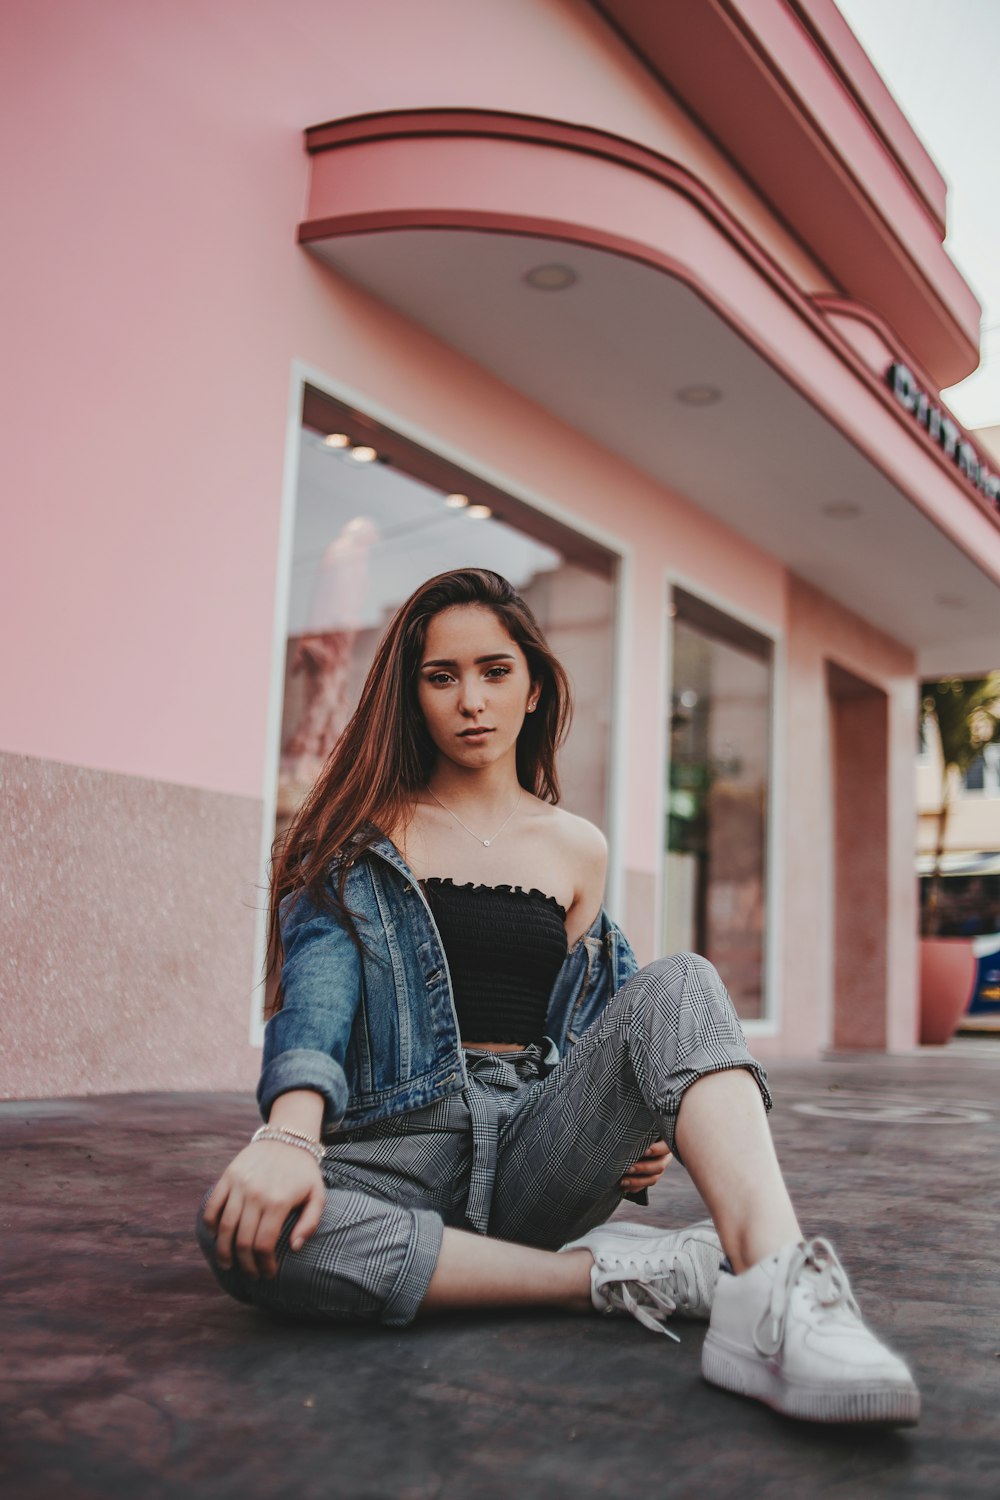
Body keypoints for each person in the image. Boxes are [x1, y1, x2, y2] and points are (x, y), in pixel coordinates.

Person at [198, 567, 919, 1426]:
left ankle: (777, 1293)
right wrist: (289, 1135)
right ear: (411, 695)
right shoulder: (357, 835)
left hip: (534, 1149)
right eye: (443, 676)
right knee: (247, 1237)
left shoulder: (577, 847)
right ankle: (613, 1276)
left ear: (534, 687)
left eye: (495, 672)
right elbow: (314, 997)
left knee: (681, 979)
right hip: (392, 1147)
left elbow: (612, 1020)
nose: (472, 700)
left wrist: (643, 1126)